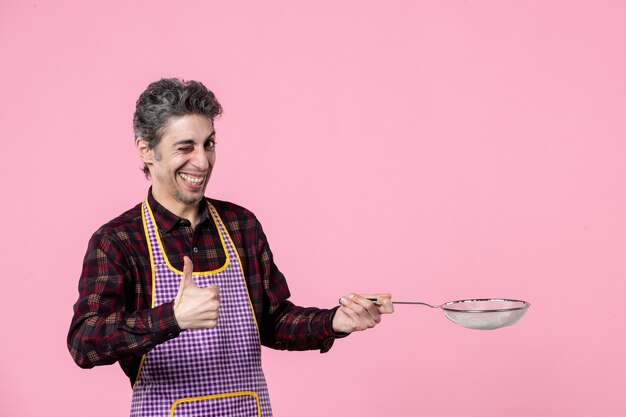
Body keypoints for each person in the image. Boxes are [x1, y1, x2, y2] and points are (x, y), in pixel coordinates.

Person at [67, 78, 393, 417]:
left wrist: (336, 321)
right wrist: (173, 318)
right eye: (185, 147)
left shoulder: (241, 225)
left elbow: (272, 320)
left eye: (208, 144)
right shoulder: (118, 241)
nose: (203, 162)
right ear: (147, 149)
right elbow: (84, 343)